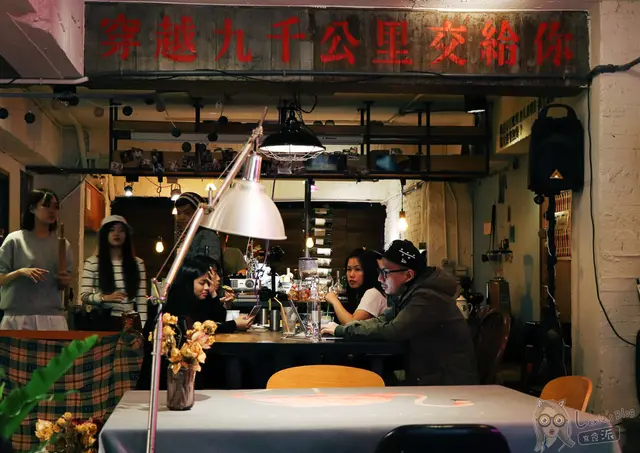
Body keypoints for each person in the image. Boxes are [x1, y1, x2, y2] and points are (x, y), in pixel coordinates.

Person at [321, 239, 478, 386]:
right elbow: (382, 320)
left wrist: (342, 330)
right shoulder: (408, 294)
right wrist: (344, 329)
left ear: (408, 275)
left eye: (385, 273)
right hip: (429, 376)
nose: (380, 279)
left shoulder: (427, 297)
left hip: (448, 385)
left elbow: (393, 330)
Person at [0, 189, 72, 330]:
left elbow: (62, 285)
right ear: (32, 208)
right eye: (46, 206)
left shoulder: (63, 244)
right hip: (18, 317)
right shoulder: (15, 240)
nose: (52, 211)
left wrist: (64, 281)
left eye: (56, 207)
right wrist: (20, 272)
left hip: (52, 317)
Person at [80, 215, 148, 328]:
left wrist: (142, 328)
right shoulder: (92, 262)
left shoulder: (137, 263)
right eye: (112, 230)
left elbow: (141, 300)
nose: (117, 233)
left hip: (129, 322)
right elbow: (84, 295)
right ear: (105, 234)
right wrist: (104, 298)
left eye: (121, 230)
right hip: (103, 322)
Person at [164, 256, 253, 333]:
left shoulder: (199, 298)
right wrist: (234, 325)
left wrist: (213, 294)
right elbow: (202, 329)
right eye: (203, 282)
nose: (218, 278)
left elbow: (216, 320)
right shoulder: (179, 301)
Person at [325, 248, 387, 324]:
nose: (351, 275)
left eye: (357, 269)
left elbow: (352, 324)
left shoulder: (373, 293)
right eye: (349, 269)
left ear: (368, 271)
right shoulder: (359, 293)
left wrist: (334, 300)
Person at [175, 192, 222, 262]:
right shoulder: (190, 235)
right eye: (178, 213)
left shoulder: (208, 235)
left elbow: (207, 265)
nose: (181, 217)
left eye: (187, 213)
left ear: (199, 214)